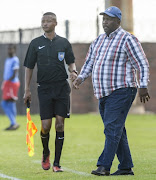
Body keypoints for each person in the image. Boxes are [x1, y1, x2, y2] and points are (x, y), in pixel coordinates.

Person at [73, 6, 150, 176]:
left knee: (111, 128)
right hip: (103, 92)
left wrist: (143, 85)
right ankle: (125, 167)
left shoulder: (128, 39)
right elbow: (89, 63)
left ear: (118, 21)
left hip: (123, 90)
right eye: (103, 19)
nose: (105, 22)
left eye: (108, 19)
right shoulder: (98, 41)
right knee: (117, 129)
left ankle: (104, 166)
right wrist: (80, 77)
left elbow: (142, 63)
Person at [23, 12, 77, 172]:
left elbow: (71, 62)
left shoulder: (64, 43)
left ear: (55, 23)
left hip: (61, 88)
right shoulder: (35, 43)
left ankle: (57, 163)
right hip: (44, 89)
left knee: (60, 125)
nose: (45, 24)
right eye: (43, 21)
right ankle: (46, 152)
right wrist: (26, 89)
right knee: (45, 126)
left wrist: (73, 72)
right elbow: (29, 67)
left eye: (48, 21)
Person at [1, 44, 20, 130]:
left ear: (14, 50)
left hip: (12, 83)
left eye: (11, 49)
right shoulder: (7, 60)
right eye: (8, 49)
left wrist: (7, 82)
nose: (9, 51)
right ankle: (13, 123)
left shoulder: (15, 59)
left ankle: (13, 122)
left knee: (4, 103)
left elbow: (15, 72)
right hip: (8, 83)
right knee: (11, 103)